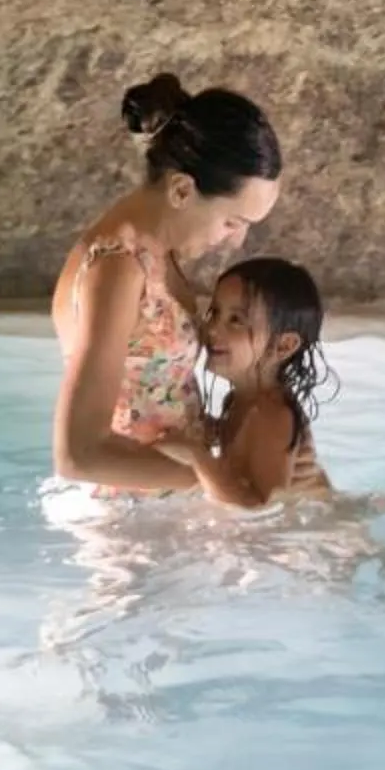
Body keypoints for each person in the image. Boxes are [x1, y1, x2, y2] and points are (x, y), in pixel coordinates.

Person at [51, 73, 282, 492]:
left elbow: (158, 396)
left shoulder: (160, 251)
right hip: (129, 525)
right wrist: (219, 477)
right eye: (232, 221)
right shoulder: (116, 269)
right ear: (181, 190)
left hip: (173, 501)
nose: (236, 240)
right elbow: (76, 456)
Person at [166, 257, 338, 509]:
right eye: (214, 313)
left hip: (323, 536)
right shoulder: (237, 401)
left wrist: (197, 457)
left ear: (284, 345)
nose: (213, 329)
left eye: (236, 320)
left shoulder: (272, 414)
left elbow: (260, 510)